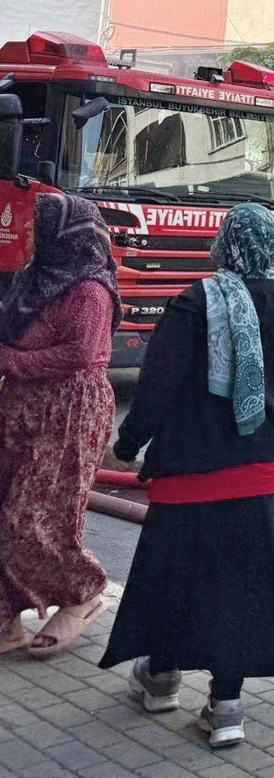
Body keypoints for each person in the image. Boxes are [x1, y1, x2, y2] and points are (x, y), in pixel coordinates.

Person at [100, 204, 274, 751]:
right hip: (268, 475)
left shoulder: (193, 303)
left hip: (194, 474)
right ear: (272, 248)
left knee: (177, 578)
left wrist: (127, 447)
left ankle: (161, 676)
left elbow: (158, 385)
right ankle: (226, 706)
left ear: (222, 246)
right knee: (243, 588)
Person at [0, 193, 121, 658]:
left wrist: (12, 360)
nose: (29, 233)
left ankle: (82, 592)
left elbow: (81, 354)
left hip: (68, 413)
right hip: (21, 408)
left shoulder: (90, 291)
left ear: (65, 236)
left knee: (31, 519)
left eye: (39, 226)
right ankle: (6, 621)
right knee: (3, 509)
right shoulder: (36, 278)